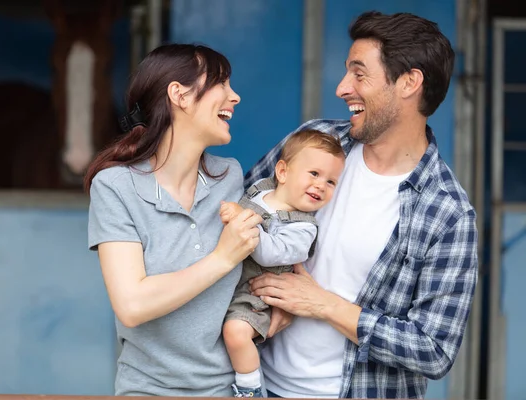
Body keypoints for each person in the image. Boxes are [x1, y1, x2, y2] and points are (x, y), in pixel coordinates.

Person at [245, 11, 479, 399]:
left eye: (359, 73)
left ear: (409, 83)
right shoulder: (315, 141)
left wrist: (325, 305)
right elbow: (243, 206)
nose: (341, 88)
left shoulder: (447, 213)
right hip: (257, 384)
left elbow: (434, 350)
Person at [84, 43, 264, 397]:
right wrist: (222, 258)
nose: (235, 96)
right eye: (221, 83)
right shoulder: (116, 187)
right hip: (149, 391)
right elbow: (133, 305)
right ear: (179, 95)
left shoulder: (228, 176)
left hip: (229, 389)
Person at [220, 130, 346, 397]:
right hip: (226, 278)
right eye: (314, 174)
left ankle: (250, 388)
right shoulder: (260, 190)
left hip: (254, 294)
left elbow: (270, 254)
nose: (321, 185)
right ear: (283, 172)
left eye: (331, 181)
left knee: (235, 332)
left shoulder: (304, 227)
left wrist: (243, 219)